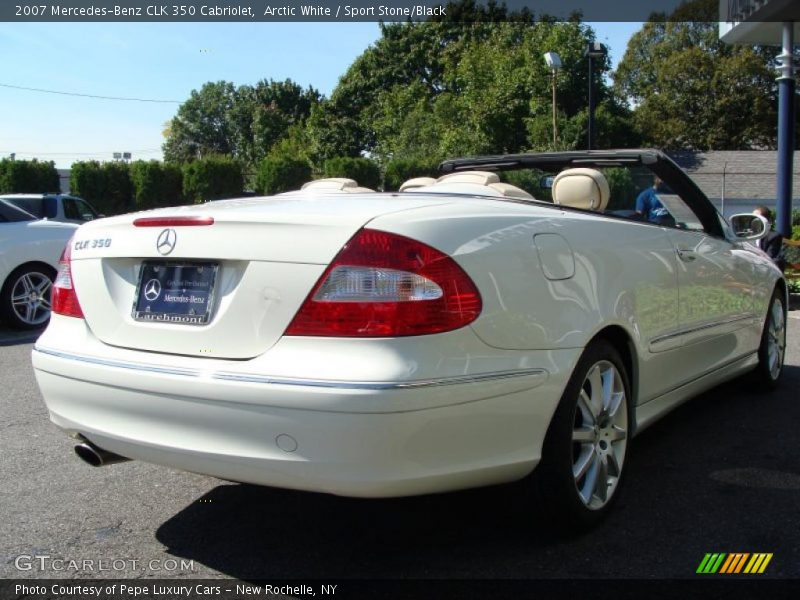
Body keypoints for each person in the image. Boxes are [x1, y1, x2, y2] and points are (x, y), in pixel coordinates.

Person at [752, 206, 786, 272]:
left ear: (766, 220)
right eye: (752, 218)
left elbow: (770, 256)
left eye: (756, 218)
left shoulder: (773, 236)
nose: (753, 221)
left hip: (765, 268)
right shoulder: (746, 235)